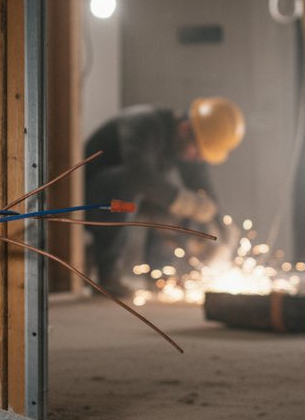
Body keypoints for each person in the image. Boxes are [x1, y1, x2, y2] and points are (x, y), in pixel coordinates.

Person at [84, 97, 246, 296]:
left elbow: (203, 190)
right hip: (90, 201)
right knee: (139, 186)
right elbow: (140, 175)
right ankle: (107, 276)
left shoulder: (185, 141)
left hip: (127, 201)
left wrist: (222, 226)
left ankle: (160, 276)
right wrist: (187, 203)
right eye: (198, 152)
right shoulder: (143, 122)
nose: (199, 158)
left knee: (174, 208)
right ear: (185, 129)